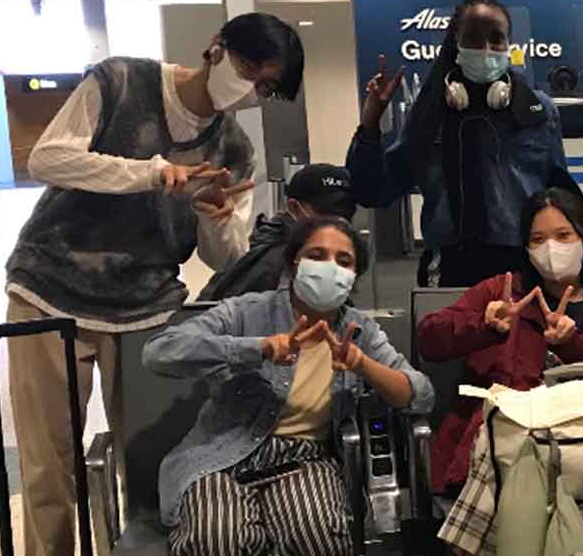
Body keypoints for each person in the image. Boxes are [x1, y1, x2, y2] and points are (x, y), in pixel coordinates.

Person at [1, 12, 300, 556]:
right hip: (50, 290)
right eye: (249, 67)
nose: (252, 88)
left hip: (148, 303)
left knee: (154, 462)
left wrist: (212, 216)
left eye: (266, 85)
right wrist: (150, 172)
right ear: (217, 46)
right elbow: (48, 158)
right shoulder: (122, 81)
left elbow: (226, 256)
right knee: (51, 470)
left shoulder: (233, 149)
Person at [145, 216, 435, 556]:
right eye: (317, 255)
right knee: (216, 539)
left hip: (305, 461)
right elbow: (159, 353)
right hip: (222, 458)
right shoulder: (245, 312)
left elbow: (420, 395)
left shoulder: (360, 330)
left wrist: (362, 364)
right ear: (294, 262)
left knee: (319, 541)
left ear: (354, 276)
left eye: (344, 261)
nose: (330, 267)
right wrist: (259, 348)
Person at [416, 186, 583, 497]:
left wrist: (571, 344)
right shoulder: (503, 292)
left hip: (582, 449)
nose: (551, 247)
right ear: (526, 248)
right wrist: (483, 324)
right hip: (498, 447)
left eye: (564, 235)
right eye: (538, 239)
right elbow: (428, 339)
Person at [350, 0, 578, 288]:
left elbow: (561, 194)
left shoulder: (537, 111)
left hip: (524, 264)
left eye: (496, 39)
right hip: (451, 267)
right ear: (455, 43)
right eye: (473, 39)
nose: (486, 50)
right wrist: (370, 123)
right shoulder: (430, 113)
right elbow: (373, 191)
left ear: (509, 44)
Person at [198, 163, 357, 302]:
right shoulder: (276, 261)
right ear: (294, 208)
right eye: (326, 212)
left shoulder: (266, 243)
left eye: (345, 212)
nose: (337, 223)